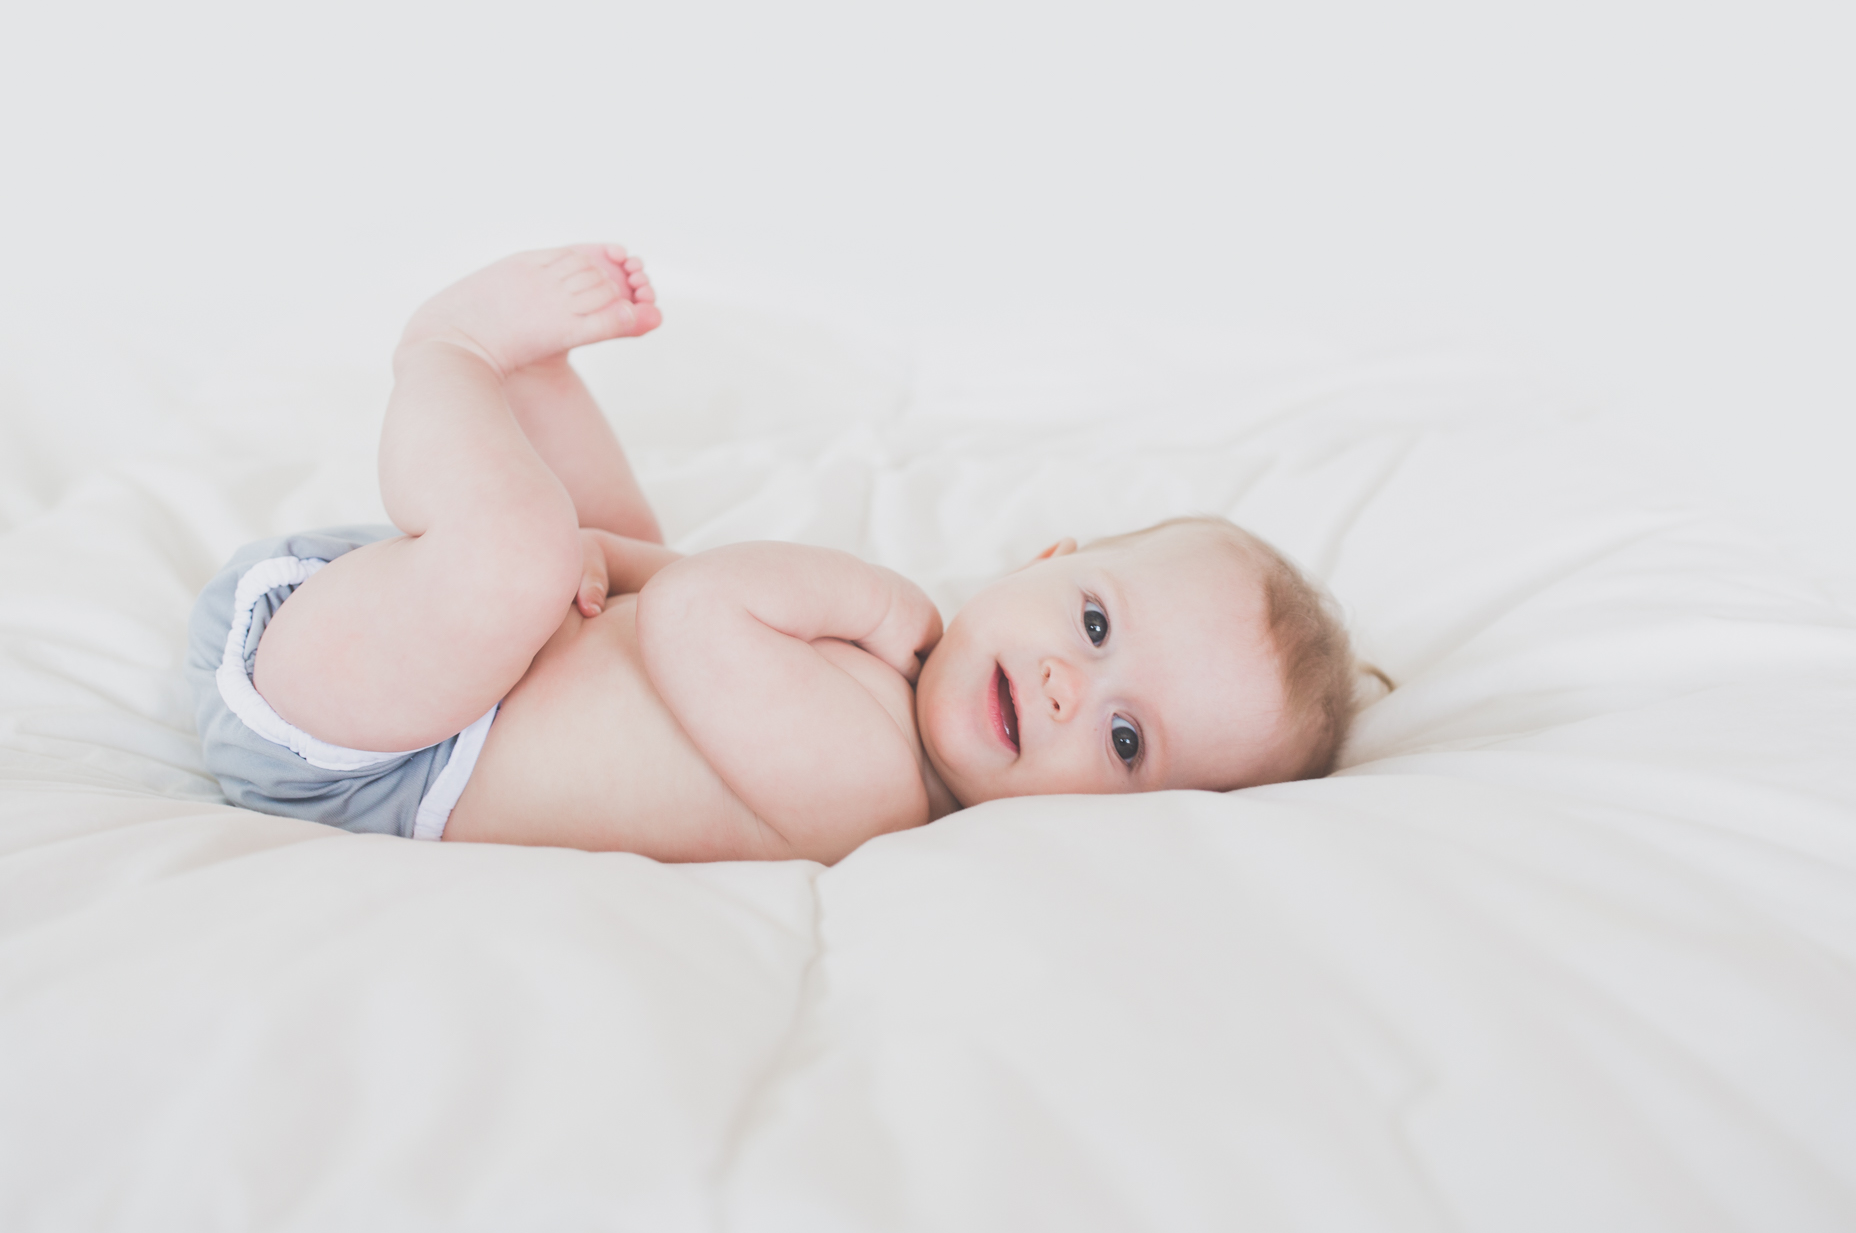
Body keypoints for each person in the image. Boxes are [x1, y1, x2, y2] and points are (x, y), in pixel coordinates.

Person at [185, 245, 1368, 863]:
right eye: (1095, 625)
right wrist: (605, 557)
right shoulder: (879, 685)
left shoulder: (871, 799)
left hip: (374, 738)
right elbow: (668, 586)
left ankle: (446, 352)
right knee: (603, 545)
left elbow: (703, 617)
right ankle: (532, 387)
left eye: (1125, 740)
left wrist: (860, 595)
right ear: (1043, 558)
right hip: (430, 645)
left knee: (524, 558)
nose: (1071, 686)